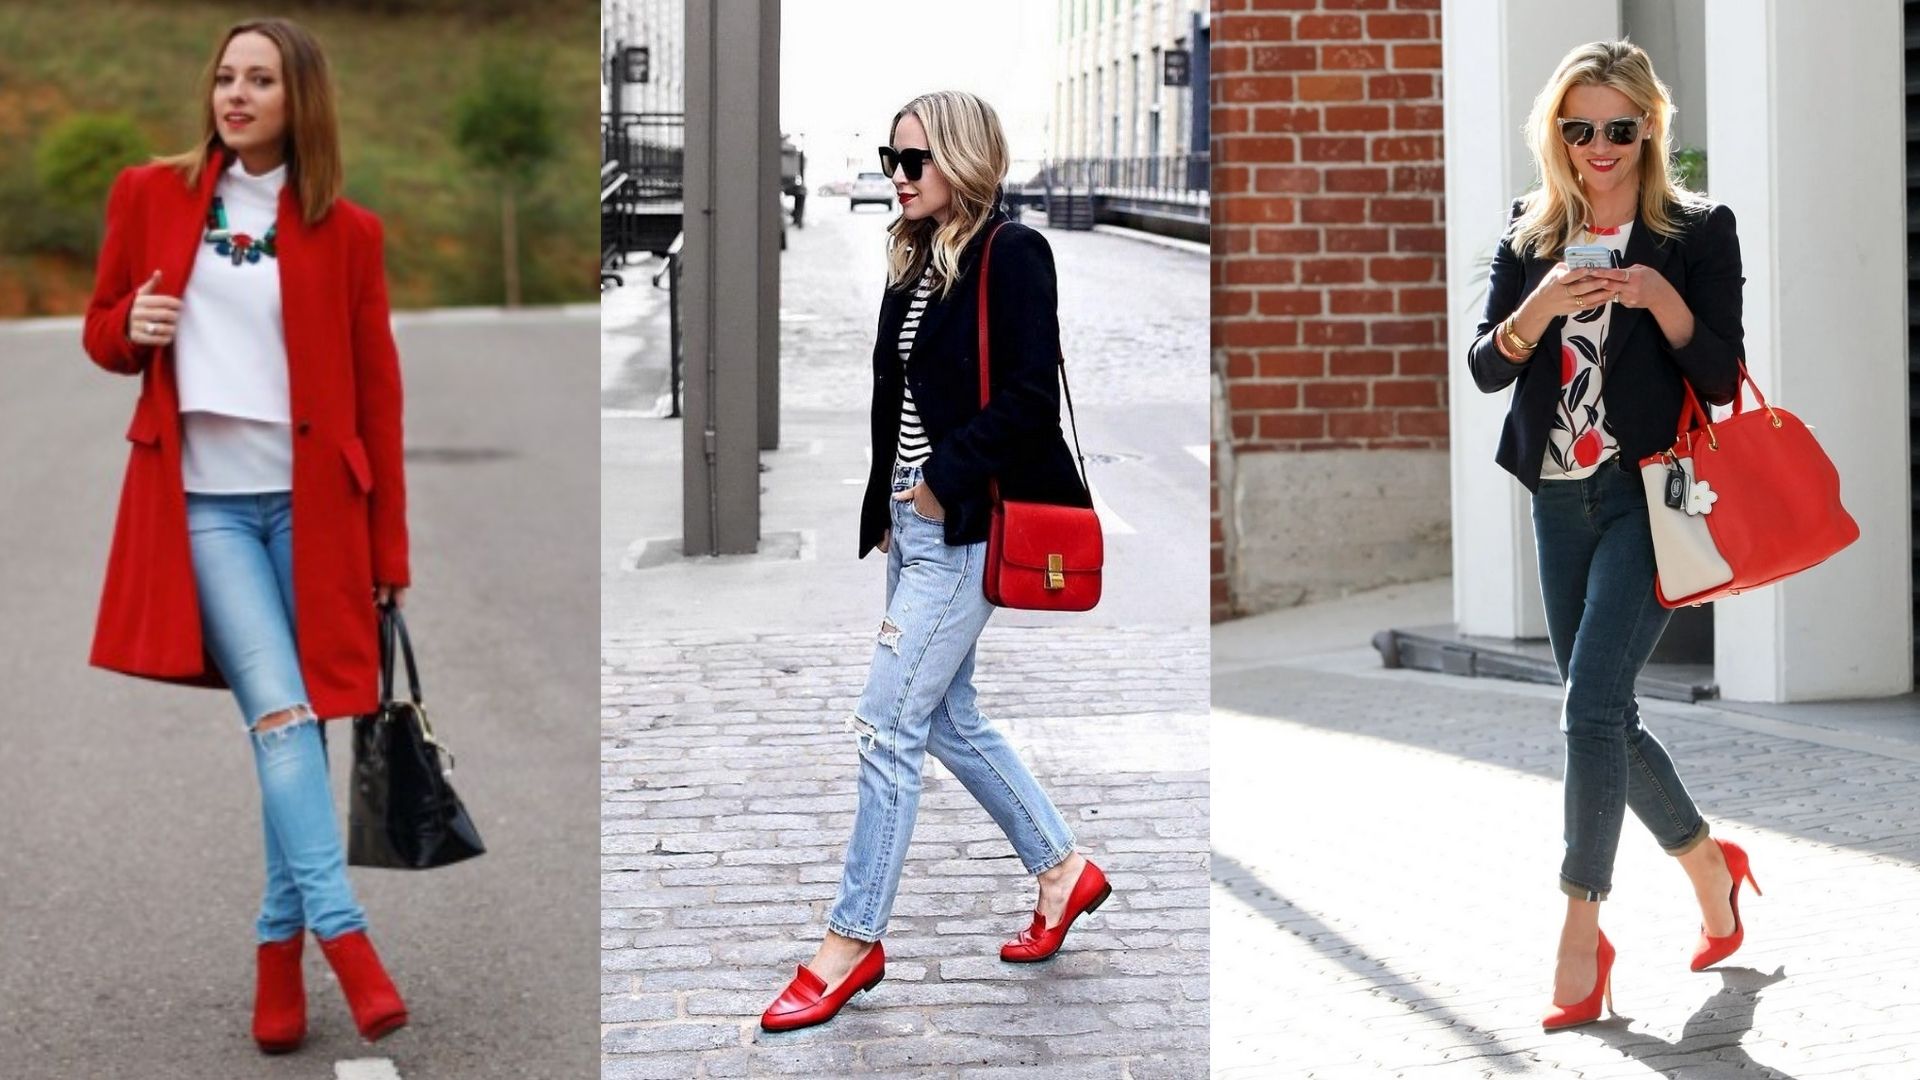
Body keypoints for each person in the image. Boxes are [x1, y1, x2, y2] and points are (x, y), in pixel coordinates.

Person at [82, 17, 411, 1054]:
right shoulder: (152, 195)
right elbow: (103, 330)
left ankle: (278, 947)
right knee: (278, 716)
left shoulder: (347, 231)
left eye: (259, 79)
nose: (234, 94)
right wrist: (128, 326)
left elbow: (378, 400)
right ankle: (348, 941)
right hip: (207, 506)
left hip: (314, 513)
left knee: (301, 730)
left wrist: (388, 560)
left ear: (297, 98)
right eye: (224, 76)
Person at [759, 90, 1110, 1033]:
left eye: (914, 160)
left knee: (884, 724)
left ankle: (850, 940)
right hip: (914, 523)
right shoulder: (913, 255)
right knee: (949, 719)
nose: (898, 176)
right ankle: (1063, 872)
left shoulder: (1012, 250)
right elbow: (897, 398)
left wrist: (939, 483)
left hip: (963, 523)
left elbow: (1031, 394)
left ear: (962, 159)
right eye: (890, 158)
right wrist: (887, 501)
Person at [1466, 40, 1759, 1031]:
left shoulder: (1696, 232)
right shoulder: (1533, 230)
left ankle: (1581, 934)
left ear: (1649, 128)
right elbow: (1485, 369)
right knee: (1606, 716)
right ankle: (1711, 862)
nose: (1598, 147)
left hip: (1649, 497)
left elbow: (1721, 378)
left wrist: (1659, 298)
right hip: (1558, 496)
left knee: (1589, 711)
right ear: (1558, 133)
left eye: (1618, 129)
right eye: (1577, 128)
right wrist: (1540, 307)